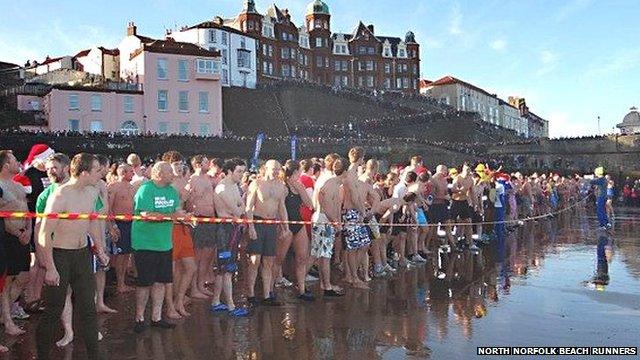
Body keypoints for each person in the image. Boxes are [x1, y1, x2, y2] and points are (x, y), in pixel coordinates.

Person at [36, 153, 108, 359]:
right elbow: (44, 233)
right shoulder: (60, 195)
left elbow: (92, 221)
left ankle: (94, 355)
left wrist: (100, 249)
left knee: (88, 308)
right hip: (60, 255)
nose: (101, 173)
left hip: (82, 254)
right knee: (53, 309)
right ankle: (42, 355)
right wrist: (50, 266)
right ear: (84, 173)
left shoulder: (93, 191)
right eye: (96, 170)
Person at [132, 161, 184, 333]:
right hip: (145, 244)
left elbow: (177, 212)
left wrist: (183, 216)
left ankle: (157, 317)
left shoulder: (172, 191)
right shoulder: (146, 189)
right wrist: (172, 216)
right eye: (170, 172)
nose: (173, 175)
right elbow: (146, 214)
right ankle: (139, 318)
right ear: (159, 174)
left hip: (164, 244)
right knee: (144, 282)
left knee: (161, 282)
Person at [245, 159, 289, 305]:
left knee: (269, 260)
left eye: (278, 169)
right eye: (273, 168)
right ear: (266, 169)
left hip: (271, 224)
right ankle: (251, 293)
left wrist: (285, 227)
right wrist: (250, 227)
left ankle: (266, 295)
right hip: (258, 222)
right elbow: (249, 207)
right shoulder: (257, 183)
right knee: (255, 260)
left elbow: (281, 207)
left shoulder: (281, 186)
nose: (276, 171)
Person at [210, 158, 249, 316]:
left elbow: (242, 207)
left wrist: (239, 207)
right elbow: (238, 210)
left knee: (224, 268)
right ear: (230, 171)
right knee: (226, 268)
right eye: (239, 171)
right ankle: (231, 306)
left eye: (242, 171)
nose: (241, 174)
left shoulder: (234, 185)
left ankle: (216, 301)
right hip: (225, 231)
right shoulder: (222, 188)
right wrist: (239, 207)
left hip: (233, 229)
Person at [0, 150, 32, 336]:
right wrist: (17, 232)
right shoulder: (1, 186)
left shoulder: (18, 185)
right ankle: (8, 320)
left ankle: (5, 314)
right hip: (8, 236)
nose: (18, 162)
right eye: (14, 160)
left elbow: (26, 210)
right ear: (5, 165)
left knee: (23, 277)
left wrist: (27, 230)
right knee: (7, 279)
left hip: (22, 235)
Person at [274, 160, 315, 301]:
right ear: (296, 171)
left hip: (298, 223)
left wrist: (300, 188)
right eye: (299, 172)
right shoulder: (283, 186)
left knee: (302, 257)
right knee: (278, 259)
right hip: (286, 224)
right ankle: (271, 287)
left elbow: (309, 204)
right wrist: (282, 227)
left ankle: (302, 289)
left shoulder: (298, 185)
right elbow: (278, 208)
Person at [185, 155, 217, 299]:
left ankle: (200, 285)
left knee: (207, 256)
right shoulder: (192, 180)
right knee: (197, 257)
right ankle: (194, 289)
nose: (208, 164)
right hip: (199, 220)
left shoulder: (207, 179)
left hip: (210, 219)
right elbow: (189, 201)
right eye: (205, 162)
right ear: (198, 164)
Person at [341, 147, 371, 290]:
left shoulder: (352, 173)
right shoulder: (351, 174)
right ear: (360, 158)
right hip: (351, 213)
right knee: (355, 247)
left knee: (363, 245)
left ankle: (352, 275)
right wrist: (363, 212)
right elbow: (354, 197)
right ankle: (354, 278)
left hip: (353, 212)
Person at [107, 163, 136, 293]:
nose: (133, 174)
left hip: (131, 223)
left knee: (126, 254)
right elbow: (109, 208)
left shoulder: (132, 187)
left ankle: (122, 282)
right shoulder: (114, 187)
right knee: (119, 255)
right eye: (130, 171)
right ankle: (118, 283)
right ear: (123, 173)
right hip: (119, 223)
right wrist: (112, 226)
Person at [450, 164, 476, 251]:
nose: (468, 171)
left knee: (468, 222)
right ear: (462, 170)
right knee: (451, 222)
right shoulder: (457, 178)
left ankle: (471, 243)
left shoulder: (471, 180)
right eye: (466, 169)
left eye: (469, 169)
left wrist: (475, 204)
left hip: (464, 202)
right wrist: (461, 190)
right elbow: (453, 189)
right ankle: (447, 243)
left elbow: (473, 193)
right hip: (456, 201)